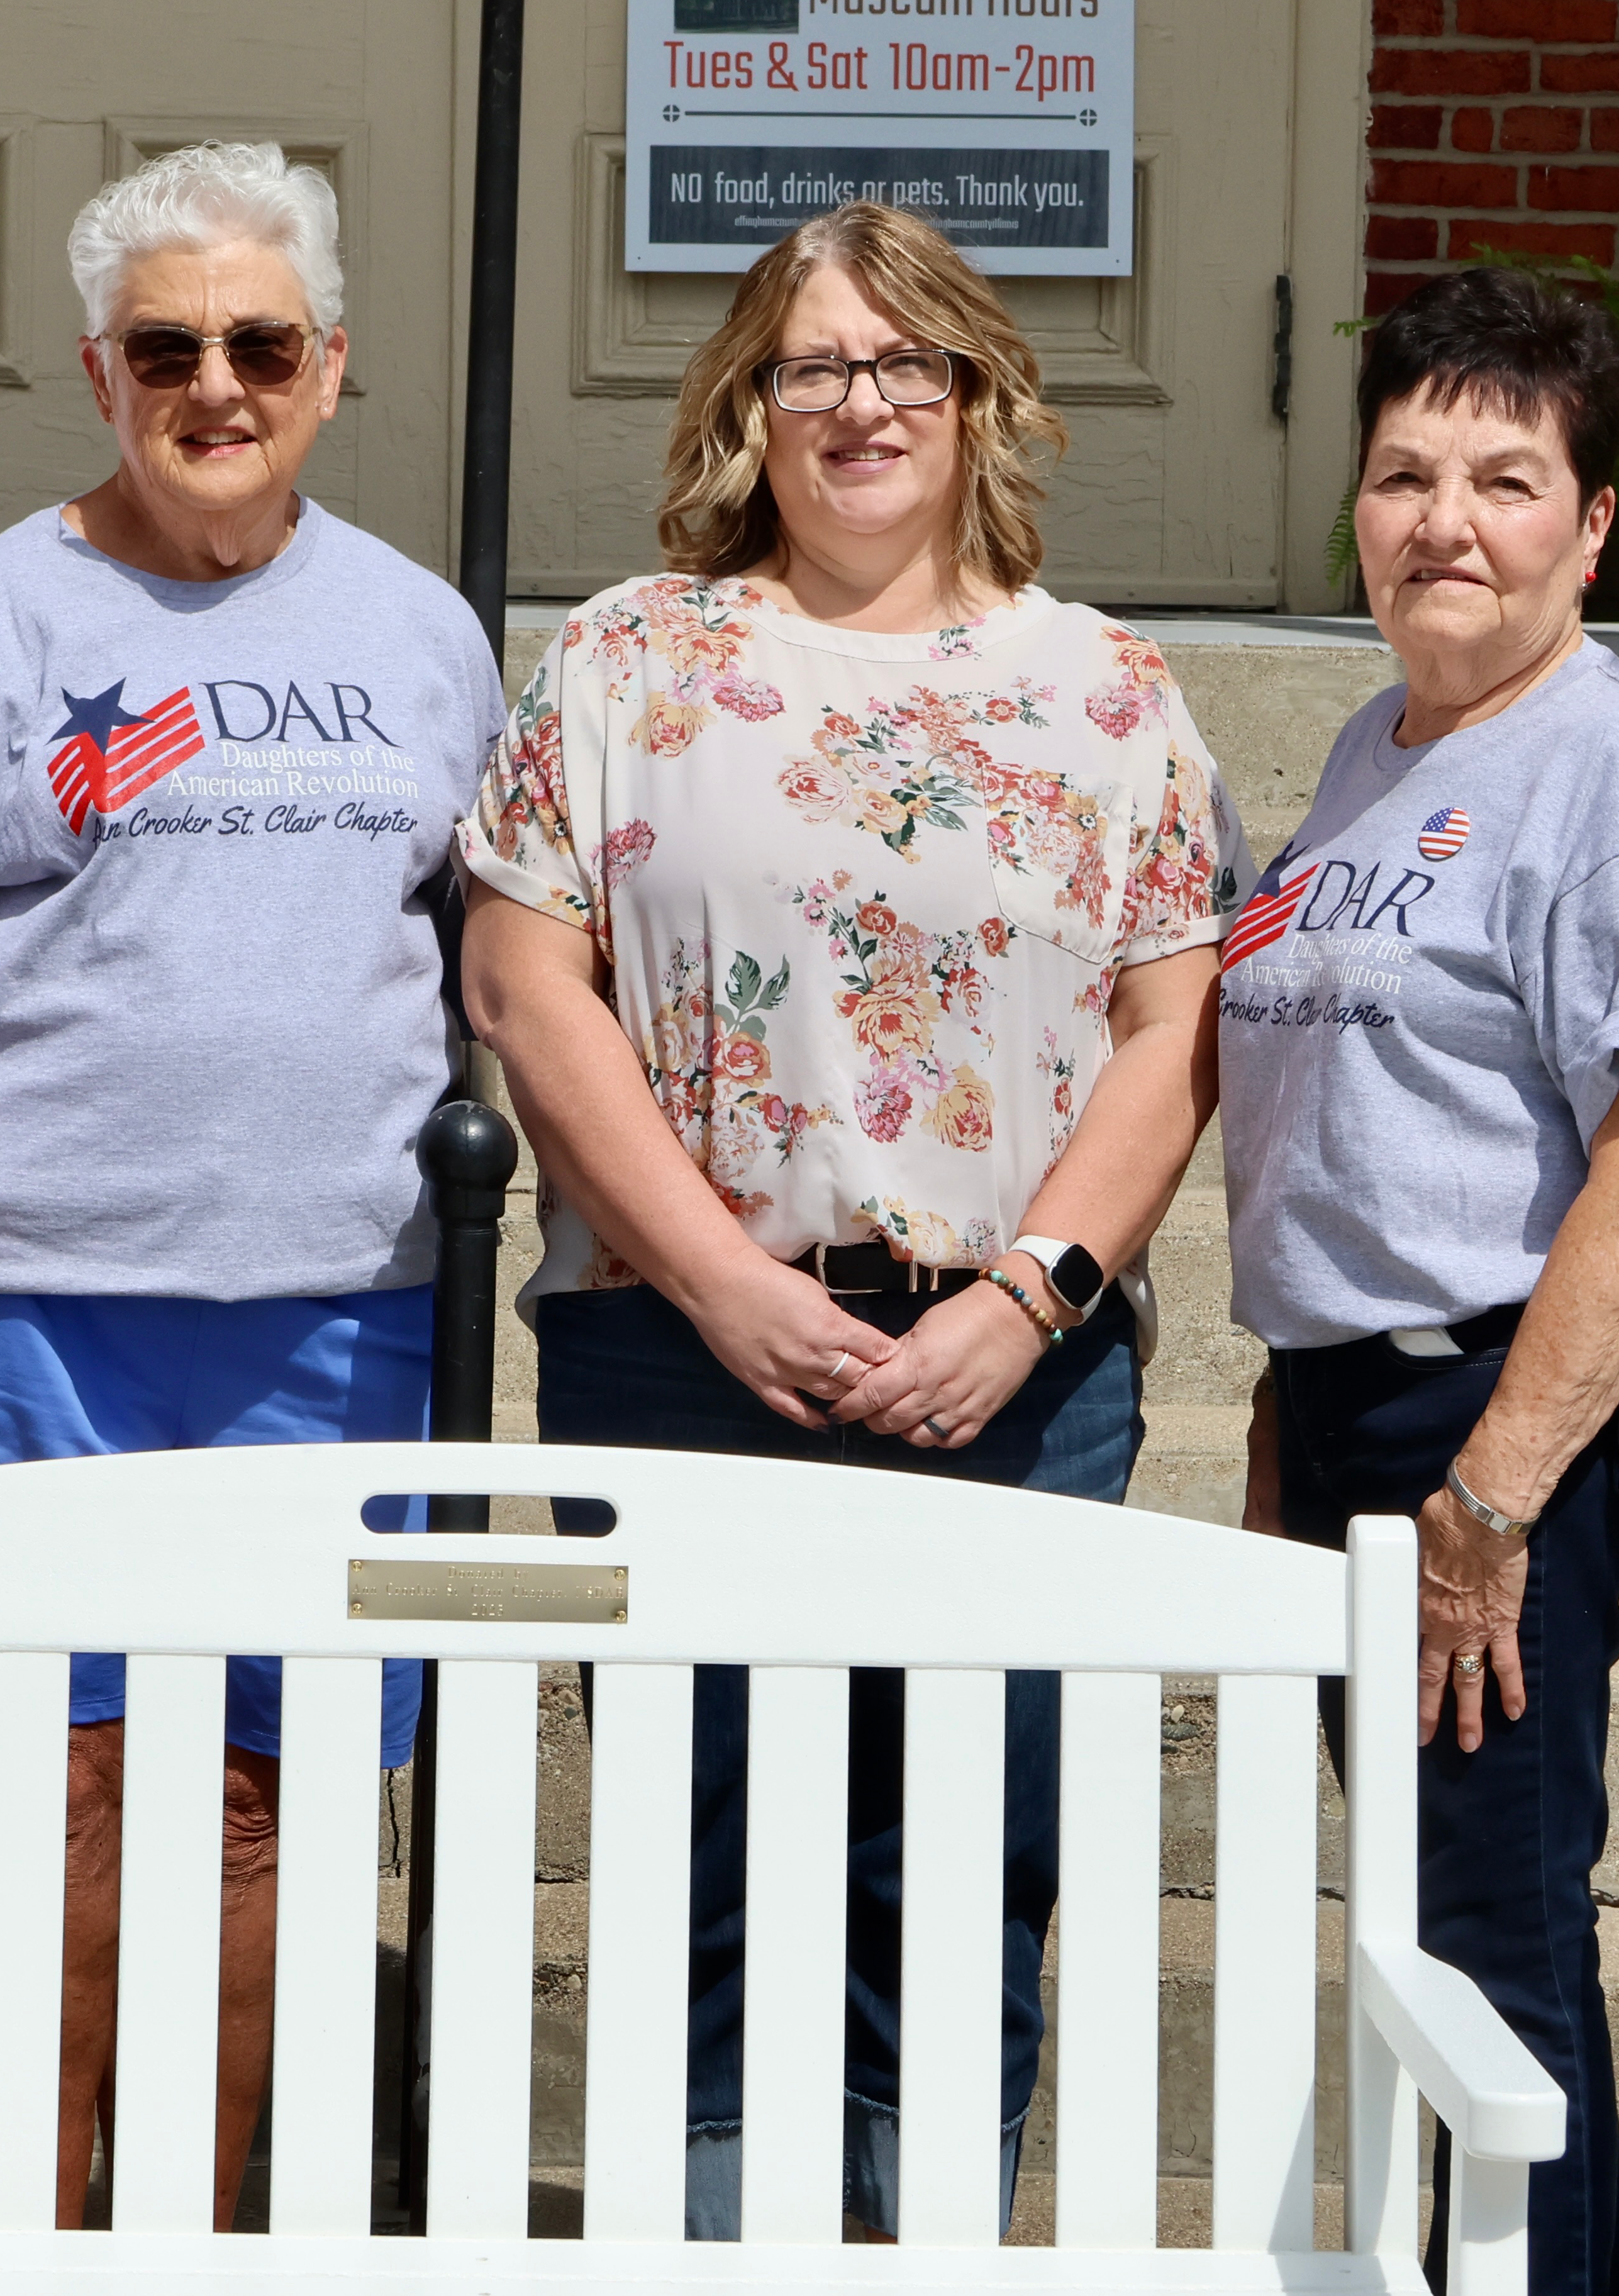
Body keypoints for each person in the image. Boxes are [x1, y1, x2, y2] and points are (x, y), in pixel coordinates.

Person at [458, 199, 1235, 2237]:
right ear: (749, 400)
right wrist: (717, 1283)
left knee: (974, 1841)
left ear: (981, 396)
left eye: (908, 365)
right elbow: (526, 983)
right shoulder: (631, 659)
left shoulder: (1107, 694)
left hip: (1015, 1371)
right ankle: (717, 2237)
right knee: (708, 1830)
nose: (862, 405)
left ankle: (931, 2238)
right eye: (816, 365)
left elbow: (1171, 1028)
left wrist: (1030, 1293)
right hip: (682, 1343)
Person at [0, 141, 504, 2227]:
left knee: (264, 1815)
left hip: (336, 1322)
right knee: (27, 1805)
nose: (213, 383)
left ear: (333, 365)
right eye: (168, 346)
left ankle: (210, 2240)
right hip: (22, 1321)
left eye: (259, 343)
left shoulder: (423, 638)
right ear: (96, 369)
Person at [1223, 265, 1619, 2296]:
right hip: (1353, 1403)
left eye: (1504, 479)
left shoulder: (1614, 766)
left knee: (1495, 1941)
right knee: (1426, 1931)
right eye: (1403, 474)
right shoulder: (1375, 737)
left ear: (1592, 523)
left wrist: (1485, 1503)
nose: (1443, 520)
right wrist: (1290, 1419)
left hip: (1492, 1421)